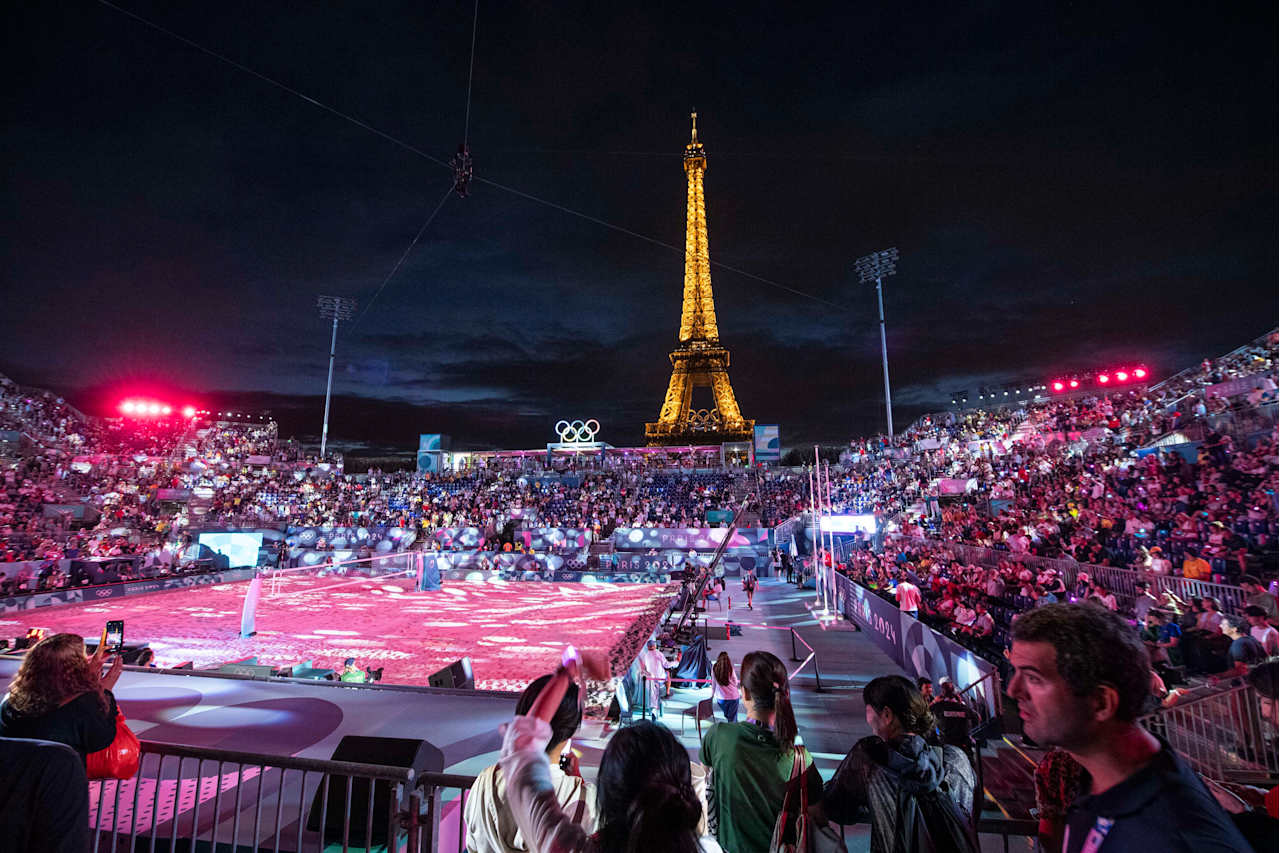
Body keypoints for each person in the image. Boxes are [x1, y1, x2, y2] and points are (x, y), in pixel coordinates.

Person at [1006, 603, 1250, 852]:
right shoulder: (1091, 782)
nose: (1012, 690)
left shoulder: (1173, 837)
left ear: (1101, 702)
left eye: (1033, 678)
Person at [499, 667, 717, 852]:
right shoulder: (709, 849)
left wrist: (564, 675)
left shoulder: (572, 848)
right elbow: (523, 753)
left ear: (605, 794)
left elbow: (523, 754)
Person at [816, 675, 976, 853]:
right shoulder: (956, 758)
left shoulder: (869, 757)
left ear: (886, 715)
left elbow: (836, 806)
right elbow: (966, 815)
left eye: (868, 708)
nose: (867, 716)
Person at [701, 650, 820, 853]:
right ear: (784, 694)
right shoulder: (801, 760)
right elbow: (817, 816)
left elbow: (707, 779)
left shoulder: (718, 736)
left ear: (744, 693)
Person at [466, 675, 594, 853]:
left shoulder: (484, 781)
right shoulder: (587, 800)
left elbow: (473, 844)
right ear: (570, 731)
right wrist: (580, 786)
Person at [0, 630, 123, 759]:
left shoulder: (11, 702)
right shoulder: (82, 705)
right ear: (74, 668)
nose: (86, 660)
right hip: (59, 776)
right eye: (82, 658)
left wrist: (89, 677)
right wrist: (104, 692)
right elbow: (101, 740)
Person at [711, 652, 740, 723]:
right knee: (732, 719)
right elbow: (735, 682)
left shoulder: (714, 668)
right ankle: (733, 730)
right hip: (733, 697)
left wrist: (711, 695)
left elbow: (713, 683)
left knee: (729, 717)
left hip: (721, 698)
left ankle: (733, 727)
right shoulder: (730, 668)